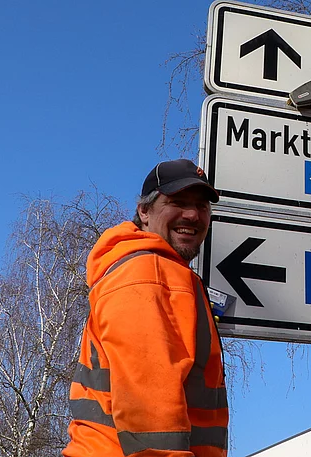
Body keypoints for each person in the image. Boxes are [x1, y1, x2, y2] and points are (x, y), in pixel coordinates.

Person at [64, 159, 228, 457]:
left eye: (202, 206)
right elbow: (148, 401)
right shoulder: (145, 272)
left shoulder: (163, 271)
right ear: (144, 211)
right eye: (177, 202)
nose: (192, 214)